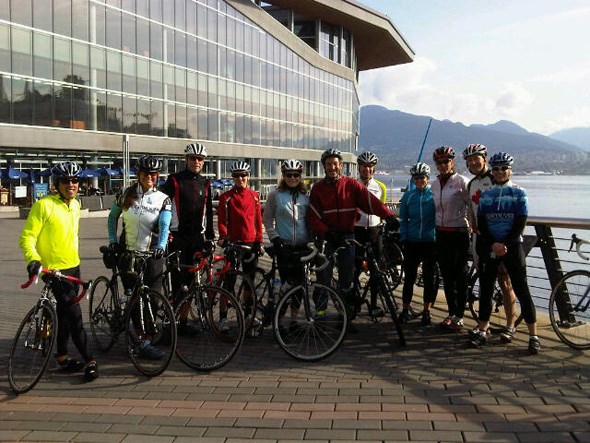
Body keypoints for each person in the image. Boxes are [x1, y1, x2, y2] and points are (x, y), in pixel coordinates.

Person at [19, 161, 98, 382]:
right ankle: (90, 360)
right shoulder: (43, 206)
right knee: (75, 316)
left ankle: (62, 357)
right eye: (65, 181)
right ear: (56, 183)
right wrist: (33, 261)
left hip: (74, 266)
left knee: (63, 316)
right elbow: (27, 237)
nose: (71, 184)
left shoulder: (75, 205)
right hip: (53, 271)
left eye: (75, 180)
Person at [307, 148, 397, 331]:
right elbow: (313, 216)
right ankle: (320, 317)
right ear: (324, 166)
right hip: (327, 239)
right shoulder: (317, 189)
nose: (332, 167)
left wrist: (389, 216)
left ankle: (344, 316)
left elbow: (370, 202)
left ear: (340, 165)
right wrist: (325, 231)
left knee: (347, 281)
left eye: (335, 163)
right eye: (328, 164)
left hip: (347, 237)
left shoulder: (351, 185)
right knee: (323, 278)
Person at [470, 152, 541, 354]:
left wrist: (503, 244)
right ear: (492, 171)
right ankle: (483, 329)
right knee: (486, 288)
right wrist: (493, 244)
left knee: (521, 289)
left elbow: (520, 223)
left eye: (503, 168)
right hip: (491, 246)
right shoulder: (486, 195)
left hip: (512, 247)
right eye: (496, 169)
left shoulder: (520, 193)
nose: (500, 172)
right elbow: (481, 223)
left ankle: (533, 335)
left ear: (510, 169)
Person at [107, 155, 172, 359]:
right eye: (146, 173)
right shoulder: (126, 194)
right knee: (135, 298)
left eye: (154, 173)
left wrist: (161, 245)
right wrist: (112, 240)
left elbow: (164, 224)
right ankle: (141, 340)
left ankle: (145, 337)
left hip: (152, 255)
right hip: (128, 254)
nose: (150, 177)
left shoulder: (163, 198)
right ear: (139, 174)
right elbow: (112, 217)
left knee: (152, 297)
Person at [463, 143, 517, 342]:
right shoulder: (471, 184)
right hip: (480, 239)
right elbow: (471, 210)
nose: (473, 162)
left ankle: (510, 325)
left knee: (505, 281)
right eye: (469, 160)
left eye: (476, 158)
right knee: (485, 283)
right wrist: (472, 231)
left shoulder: (497, 177)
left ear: (484, 158)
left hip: (499, 239)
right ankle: (483, 325)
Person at [161, 142, 215, 334]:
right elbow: (162, 207)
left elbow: (208, 213)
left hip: (197, 239)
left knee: (193, 282)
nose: (197, 162)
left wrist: (210, 238)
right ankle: (171, 322)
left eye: (200, 159)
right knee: (177, 282)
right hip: (178, 238)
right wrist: (163, 233)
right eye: (193, 158)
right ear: (186, 160)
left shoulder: (206, 183)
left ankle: (183, 321)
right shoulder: (174, 180)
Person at [263, 159, 311, 320]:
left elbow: (310, 220)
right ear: (283, 175)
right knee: (286, 285)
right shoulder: (275, 195)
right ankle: (279, 321)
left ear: (300, 176)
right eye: (289, 175)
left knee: (299, 286)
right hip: (283, 246)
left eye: (296, 175)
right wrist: (274, 238)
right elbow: (267, 219)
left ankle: (293, 321)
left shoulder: (306, 196)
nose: (292, 178)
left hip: (302, 246)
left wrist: (313, 241)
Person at [217, 160, 263, 329]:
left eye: (243, 175)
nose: (240, 178)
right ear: (233, 177)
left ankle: (248, 314)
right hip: (233, 244)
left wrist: (259, 241)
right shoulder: (226, 197)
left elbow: (258, 221)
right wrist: (224, 236)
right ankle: (223, 318)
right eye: (237, 176)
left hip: (250, 243)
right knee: (229, 281)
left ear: (248, 176)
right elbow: (222, 221)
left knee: (249, 282)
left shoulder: (255, 195)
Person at [430, 146, 470, 332]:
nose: (443, 165)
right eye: (440, 162)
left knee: (459, 276)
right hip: (441, 233)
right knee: (446, 276)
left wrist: (476, 228)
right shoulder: (435, 184)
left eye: (446, 161)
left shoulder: (462, 182)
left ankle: (460, 316)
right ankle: (451, 313)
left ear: (453, 162)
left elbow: (474, 206)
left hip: (459, 232)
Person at [398, 162, 437, 326]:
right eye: (416, 177)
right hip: (412, 242)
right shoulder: (408, 197)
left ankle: (427, 311)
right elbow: (403, 220)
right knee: (409, 278)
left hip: (430, 241)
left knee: (429, 279)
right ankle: (405, 309)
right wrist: (404, 238)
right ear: (413, 179)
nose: (419, 180)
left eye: (422, 177)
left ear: (427, 178)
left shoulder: (434, 195)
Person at [354, 151, 388, 318]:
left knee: (376, 271)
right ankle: (353, 305)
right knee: (354, 270)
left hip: (374, 231)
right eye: (364, 166)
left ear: (374, 168)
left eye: (370, 166)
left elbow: (382, 209)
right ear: (359, 167)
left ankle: (374, 305)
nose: (367, 169)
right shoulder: (353, 185)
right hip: (357, 231)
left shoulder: (380, 187)